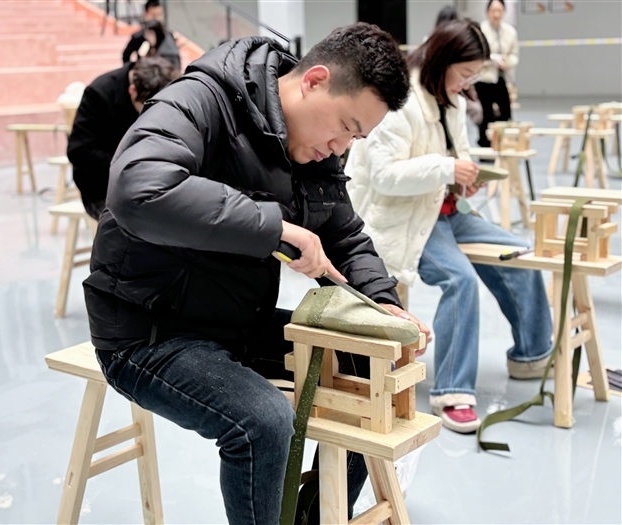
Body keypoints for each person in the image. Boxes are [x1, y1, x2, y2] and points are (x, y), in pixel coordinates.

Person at [86, 24, 430, 524]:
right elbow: (140, 189)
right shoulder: (202, 99)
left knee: (370, 364)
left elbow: (344, 235)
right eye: (344, 126)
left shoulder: (316, 148)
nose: (340, 147)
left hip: (237, 319)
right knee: (264, 423)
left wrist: (384, 304)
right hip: (149, 329)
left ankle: (314, 516)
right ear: (314, 80)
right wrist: (274, 228)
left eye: (355, 138)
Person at [345, 20, 552, 434]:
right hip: (405, 213)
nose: (470, 82)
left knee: (520, 254)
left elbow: (456, 154)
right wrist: (446, 169)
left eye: (475, 74)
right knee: (460, 280)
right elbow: (384, 177)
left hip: (444, 207)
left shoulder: (451, 99)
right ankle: (453, 391)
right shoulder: (400, 102)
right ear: (443, 61)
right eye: (466, 73)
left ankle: (531, 356)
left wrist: (464, 177)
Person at [67, 56, 179, 220]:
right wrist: (132, 168)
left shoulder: (168, 93)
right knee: (139, 224)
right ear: (132, 91)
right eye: (146, 110)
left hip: (154, 182)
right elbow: (79, 152)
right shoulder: (99, 93)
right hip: (104, 187)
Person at [474, 0, 519, 147]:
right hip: (484, 79)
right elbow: (477, 55)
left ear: (504, 12)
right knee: (486, 114)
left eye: (499, 10)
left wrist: (508, 62)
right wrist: (494, 60)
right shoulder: (481, 30)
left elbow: (514, 55)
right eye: (493, 10)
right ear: (488, 12)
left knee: (506, 113)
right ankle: (485, 147)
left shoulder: (510, 32)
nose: (496, 14)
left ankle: (505, 144)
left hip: (501, 78)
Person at [122, 0, 181, 71]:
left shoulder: (168, 35)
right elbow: (126, 54)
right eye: (153, 15)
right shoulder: (139, 36)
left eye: (159, 15)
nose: (156, 18)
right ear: (146, 15)